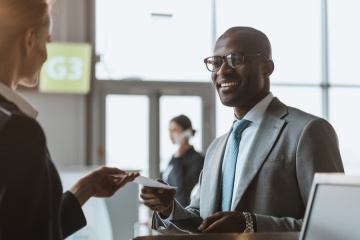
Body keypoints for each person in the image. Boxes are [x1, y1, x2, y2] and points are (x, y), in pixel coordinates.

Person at [140, 26, 344, 234]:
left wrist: (250, 224)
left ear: (267, 67)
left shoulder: (308, 131)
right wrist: (168, 208)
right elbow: (200, 221)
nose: (223, 71)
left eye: (235, 59)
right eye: (216, 63)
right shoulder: (216, 148)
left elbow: (336, 225)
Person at [0, 0, 139, 239]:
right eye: (48, 41)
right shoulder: (19, 130)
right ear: (30, 38)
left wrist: (84, 190)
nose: (46, 55)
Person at [161, 115, 204, 207]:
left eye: (174, 130)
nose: (170, 135)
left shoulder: (197, 158)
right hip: (167, 208)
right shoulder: (175, 156)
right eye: (169, 131)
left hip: (182, 209)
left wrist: (179, 155)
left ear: (187, 132)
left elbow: (180, 188)